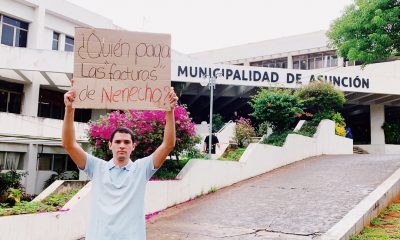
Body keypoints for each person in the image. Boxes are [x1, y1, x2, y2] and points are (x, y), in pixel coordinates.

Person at [62, 83, 178, 240]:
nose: (122, 146)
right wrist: (69, 109)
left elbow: (168, 145)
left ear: (133, 146)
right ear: (110, 145)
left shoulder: (141, 168)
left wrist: (169, 111)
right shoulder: (96, 167)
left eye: (126, 142)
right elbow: (69, 145)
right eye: (117, 142)